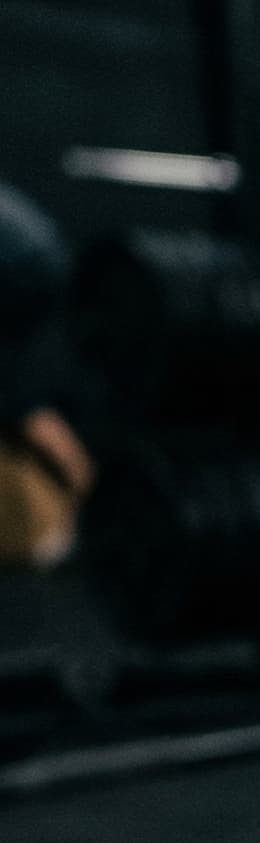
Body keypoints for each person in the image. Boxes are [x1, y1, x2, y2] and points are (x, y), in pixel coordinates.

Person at [0, 182, 89, 570]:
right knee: (14, 401)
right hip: (34, 259)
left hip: (19, 273)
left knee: (16, 405)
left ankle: (74, 511)